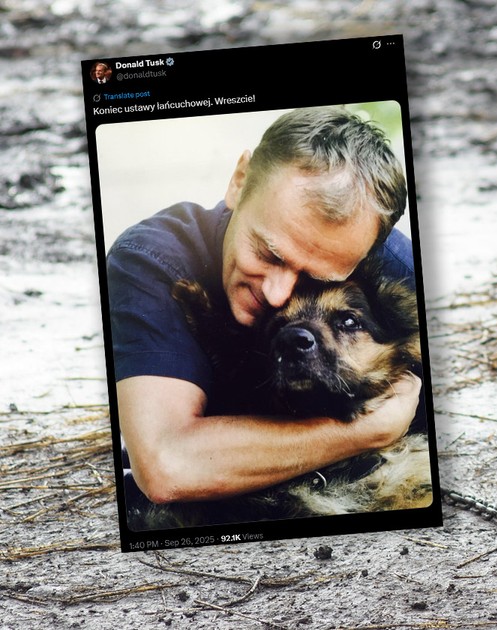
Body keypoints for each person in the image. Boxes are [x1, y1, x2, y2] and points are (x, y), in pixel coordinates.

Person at [108, 107, 423, 506]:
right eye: (268, 253)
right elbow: (166, 466)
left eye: (319, 278)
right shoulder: (152, 259)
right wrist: (366, 431)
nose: (277, 295)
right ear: (240, 181)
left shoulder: (395, 272)